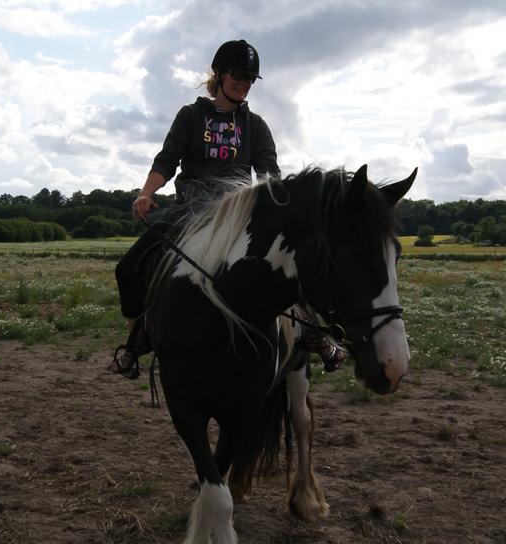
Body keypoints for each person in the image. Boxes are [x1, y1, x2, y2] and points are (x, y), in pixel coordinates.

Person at [109, 39, 344, 378]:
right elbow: (167, 160)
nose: (244, 83)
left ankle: (313, 331)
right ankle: (138, 338)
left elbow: (268, 175)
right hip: (190, 211)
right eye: (238, 74)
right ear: (218, 74)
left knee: (288, 260)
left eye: (250, 78)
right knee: (128, 269)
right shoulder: (191, 116)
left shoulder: (256, 126)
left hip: (239, 215)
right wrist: (145, 193)